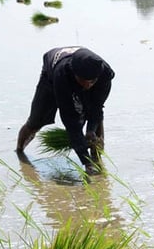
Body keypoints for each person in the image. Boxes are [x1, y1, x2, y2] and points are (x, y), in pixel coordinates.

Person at [16, 47, 114, 176]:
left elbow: (97, 107)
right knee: (36, 120)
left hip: (83, 75)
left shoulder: (104, 74)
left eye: (92, 81)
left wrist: (90, 130)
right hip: (50, 78)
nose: (89, 85)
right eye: (85, 81)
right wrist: (86, 163)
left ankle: (97, 158)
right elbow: (70, 121)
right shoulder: (61, 75)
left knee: (95, 115)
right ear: (74, 73)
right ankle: (19, 152)